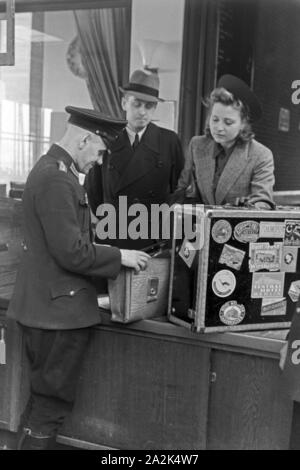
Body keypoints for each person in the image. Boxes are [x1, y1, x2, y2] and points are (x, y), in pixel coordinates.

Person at [7, 106, 150, 450]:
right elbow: (71, 251)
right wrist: (121, 256)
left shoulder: (53, 171)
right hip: (58, 316)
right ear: (85, 138)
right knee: (50, 407)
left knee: (43, 403)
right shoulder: (57, 178)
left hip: (48, 310)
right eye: (100, 152)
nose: (99, 162)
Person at [86, 69, 184, 249]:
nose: (142, 112)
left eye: (149, 106)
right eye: (136, 104)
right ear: (124, 103)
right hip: (114, 235)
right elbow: (94, 191)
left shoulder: (169, 141)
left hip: (152, 236)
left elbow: (178, 191)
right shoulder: (106, 139)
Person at [173, 74, 275, 209]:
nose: (219, 128)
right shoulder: (197, 145)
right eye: (215, 119)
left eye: (228, 122)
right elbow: (182, 189)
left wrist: (248, 207)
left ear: (243, 124)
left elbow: (263, 201)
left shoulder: (261, 155)